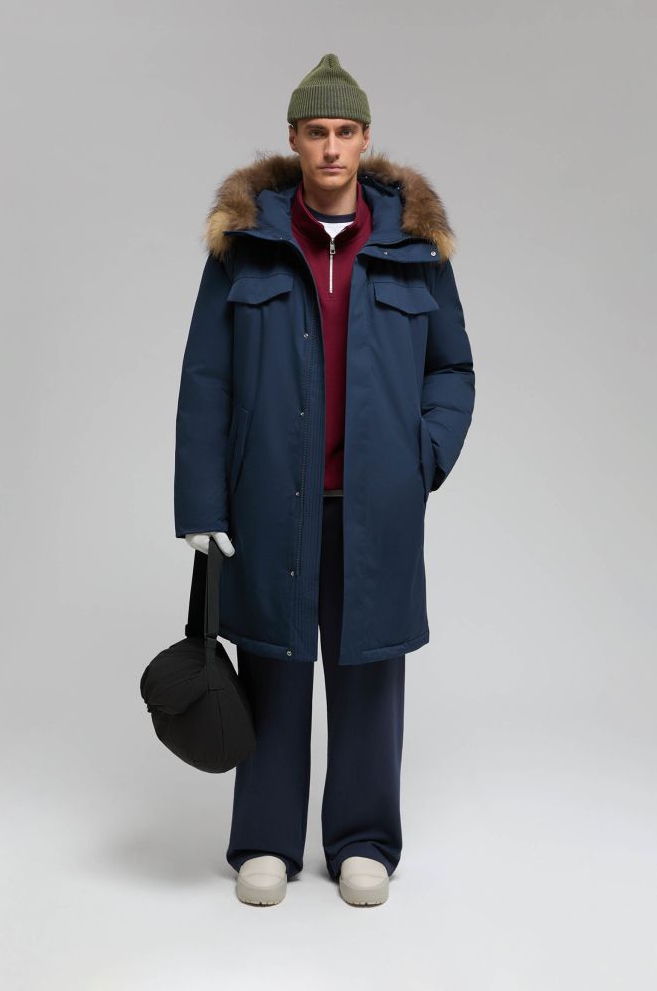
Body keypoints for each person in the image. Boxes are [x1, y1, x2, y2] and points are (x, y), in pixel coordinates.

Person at [174, 53, 476, 906]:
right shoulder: (245, 248)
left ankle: (363, 842)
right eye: (317, 132)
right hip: (270, 501)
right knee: (272, 664)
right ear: (294, 140)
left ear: (365, 139)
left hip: (376, 503)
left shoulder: (414, 250)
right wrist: (200, 502)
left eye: (345, 131)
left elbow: (452, 368)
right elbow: (206, 379)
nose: (332, 147)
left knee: (369, 671)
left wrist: (423, 457)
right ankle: (265, 843)